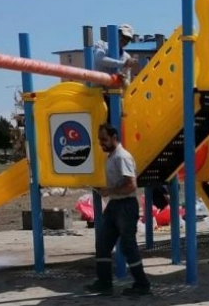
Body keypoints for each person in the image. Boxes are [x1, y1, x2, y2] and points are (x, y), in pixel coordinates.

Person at [85, 122, 151, 296]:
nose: (101, 143)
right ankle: (104, 283)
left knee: (128, 246)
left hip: (125, 206)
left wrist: (109, 191)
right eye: (99, 140)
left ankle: (142, 284)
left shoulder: (122, 157)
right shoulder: (112, 157)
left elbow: (131, 186)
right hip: (115, 204)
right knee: (103, 244)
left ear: (114, 137)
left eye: (104, 139)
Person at [94, 24, 141, 116]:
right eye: (123, 36)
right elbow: (99, 59)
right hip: (97, 93)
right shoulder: (101, 45)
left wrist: (123, 80)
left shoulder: (126, 57)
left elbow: (127, 83)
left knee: (118, 118)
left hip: (114, 96)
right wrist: (122, 64)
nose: (125, 40)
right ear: (117, 34)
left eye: (128, 39)